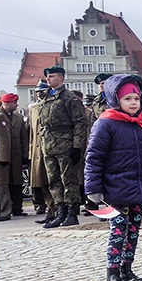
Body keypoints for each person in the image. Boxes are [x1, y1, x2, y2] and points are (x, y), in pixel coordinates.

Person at [84, 74, 142, 281]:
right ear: (116, 100)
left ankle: (127, 269)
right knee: (117, 231)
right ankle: (112, 272)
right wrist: (93, 188)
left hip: (138, 187)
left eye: (136, 98)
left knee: (133, 230)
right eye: (128, 99)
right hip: (114, 190)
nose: (133, 103)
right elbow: (94, 157)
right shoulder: (105, 123)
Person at [38, 65, 88, 228]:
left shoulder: (69, 98)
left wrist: (76, 146)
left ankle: (72, 213)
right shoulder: (45, 97)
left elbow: (80, 123)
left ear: (61, 78)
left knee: (68, 180)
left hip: (65, 144)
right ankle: (60, 212)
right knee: (54, 180)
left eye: (52, 76)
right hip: (49, 144)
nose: (48, 79)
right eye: (47, 76)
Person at [0, 93, 29, 217]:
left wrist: (25, 154)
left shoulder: (18, 118)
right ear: (6, 103)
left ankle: (17, 208)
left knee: (17, 182)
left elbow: (24, 137)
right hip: (1, 156)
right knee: (3, 184)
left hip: (16, 155)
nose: (16, 105)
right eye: (14, 103)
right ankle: (2, 209)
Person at [29, 79, 55, 221]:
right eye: (37, 91)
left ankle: (56, 210)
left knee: (53, 181)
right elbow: (31, 133)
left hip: (51, 148)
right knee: (41, 182)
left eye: (42, 90)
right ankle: (49, 209)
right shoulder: (33, 109)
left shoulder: (53, 105)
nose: (39, 94)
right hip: (37, 151)